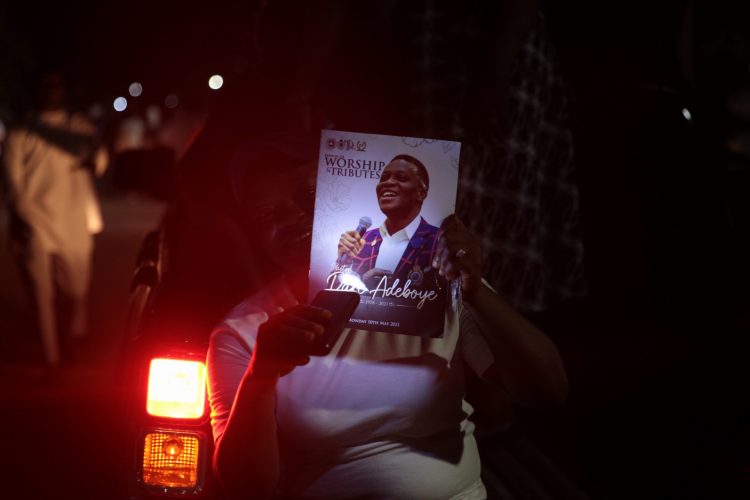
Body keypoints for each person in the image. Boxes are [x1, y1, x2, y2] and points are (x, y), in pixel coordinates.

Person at [206, 135, 569, 499]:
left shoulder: (435, 280)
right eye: (266, 214)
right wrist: (261, 374)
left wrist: (474, 292)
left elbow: (546, 390)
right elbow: (246, 487)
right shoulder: (244, 331)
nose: (292, 218)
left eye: (308, 192)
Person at [2, 71, 107, 367]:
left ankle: (65, 339)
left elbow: (98, 157)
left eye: (56, 84)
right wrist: (22, 218)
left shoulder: (78, 128)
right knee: (42, 294)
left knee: (74, 291)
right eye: (44, 85)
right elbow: (13, 182)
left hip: (73, 222)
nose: (51, 90)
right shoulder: (20, 133)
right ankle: (52, 359)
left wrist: (93, 157)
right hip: (35, 222)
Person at [336, 154, 440, 290]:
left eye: (402, 178)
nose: (387, 183)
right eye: (383, 178)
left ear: (420, 192)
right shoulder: (362, 240)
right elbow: (336, 293)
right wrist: (342, 262)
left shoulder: (439, 242)